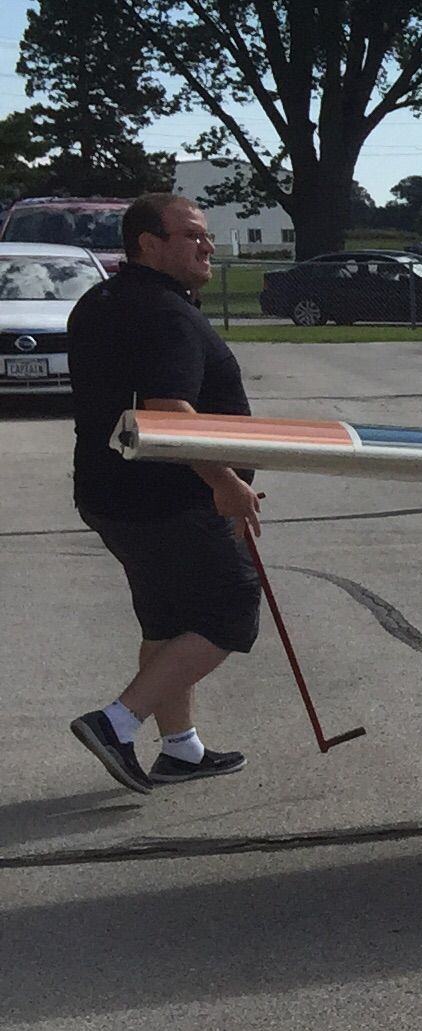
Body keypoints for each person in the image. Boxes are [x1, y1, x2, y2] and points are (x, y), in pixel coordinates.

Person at [66, 192, 259, 792]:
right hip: (167, 498)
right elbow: (169, 413)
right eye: (192, 235)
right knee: (230, 612)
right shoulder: (161, 312)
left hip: (113, 492)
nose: (207, 246)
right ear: (149, 244)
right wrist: (226, 484)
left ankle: (181, 749)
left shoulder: (101, 301)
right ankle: (116, 723)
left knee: (168, 619)